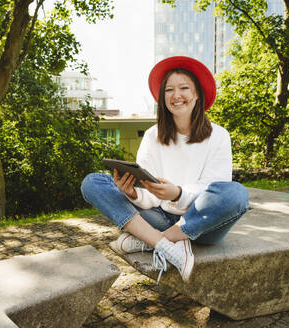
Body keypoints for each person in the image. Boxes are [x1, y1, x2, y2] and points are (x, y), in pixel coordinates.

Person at [81, 56, 249, 283]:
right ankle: (165, 245)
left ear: (197, 94)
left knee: (236, 193)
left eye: (184, 88)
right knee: (92, 183)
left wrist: (177, 194)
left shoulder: (218, 135)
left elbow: (215, 189)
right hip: (158, 216)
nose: (176, 95)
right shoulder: (153, 136)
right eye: (169, 90)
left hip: (201, 224)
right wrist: (132, 192)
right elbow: (149, 194)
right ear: (163, 98)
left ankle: (150, 240)